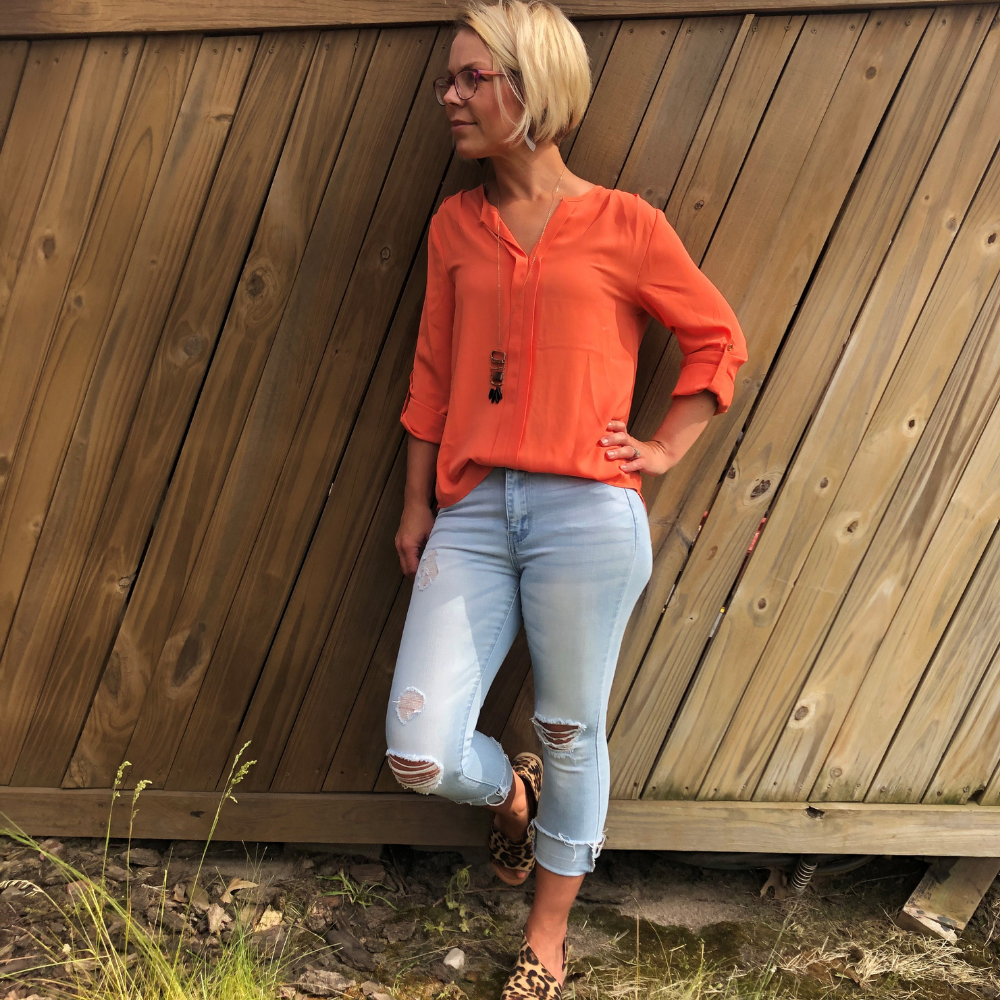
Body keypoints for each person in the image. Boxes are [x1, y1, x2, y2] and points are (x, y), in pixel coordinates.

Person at [384, 2, 748, 996]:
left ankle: (544, 940)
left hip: (586, 517)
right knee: (417, 747)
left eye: (470, 78)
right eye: (447, 78)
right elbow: (428, 376)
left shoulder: (625, 224)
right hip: (470, 513)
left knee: (571, 727)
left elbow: (716, 338)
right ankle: (512, 791)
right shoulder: (454, 226)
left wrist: (665, 443)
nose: (448, 96)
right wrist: (419, 505)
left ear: (531, 87)